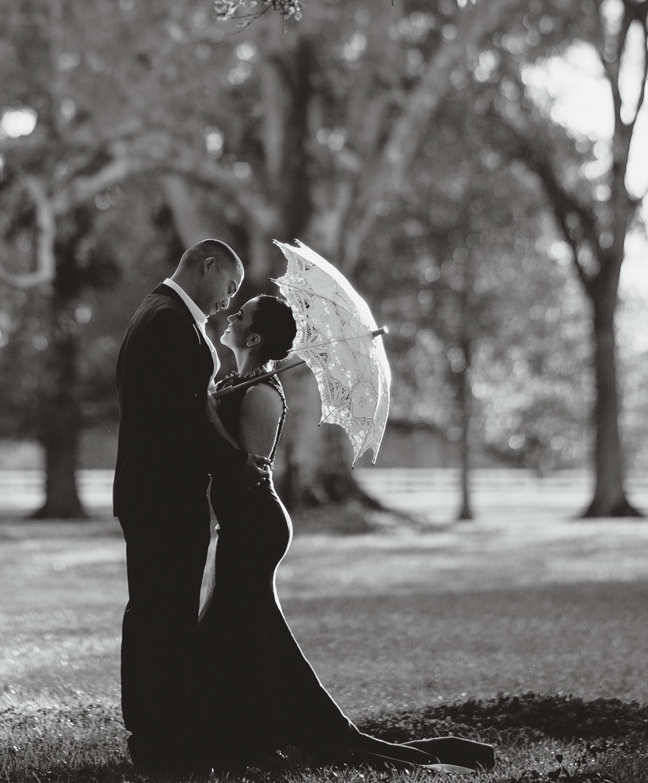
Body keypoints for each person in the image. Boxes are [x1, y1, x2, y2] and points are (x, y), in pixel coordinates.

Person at [190, 294, 495, 774]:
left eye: (241, 314)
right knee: (252, 630)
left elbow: (247, 472)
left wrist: (207, 418)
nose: (230, 315)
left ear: (252, 338)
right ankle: (263, 731)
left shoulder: (263, 394)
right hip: (237, 524)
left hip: (255, 526)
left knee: (226, 626)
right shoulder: (234, 380)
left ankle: (250, 736)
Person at [112, 240, 271, 769]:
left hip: (155, 489)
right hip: (162, 493)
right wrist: (233, 464)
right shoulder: (168, 321)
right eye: (229, 288)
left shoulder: (159, 312)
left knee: (155, 611)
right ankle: (158, 740)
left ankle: (153, 732)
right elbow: (178, 420)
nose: (228, 303)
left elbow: (184, 407)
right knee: (166, 615)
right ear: (208, 267)